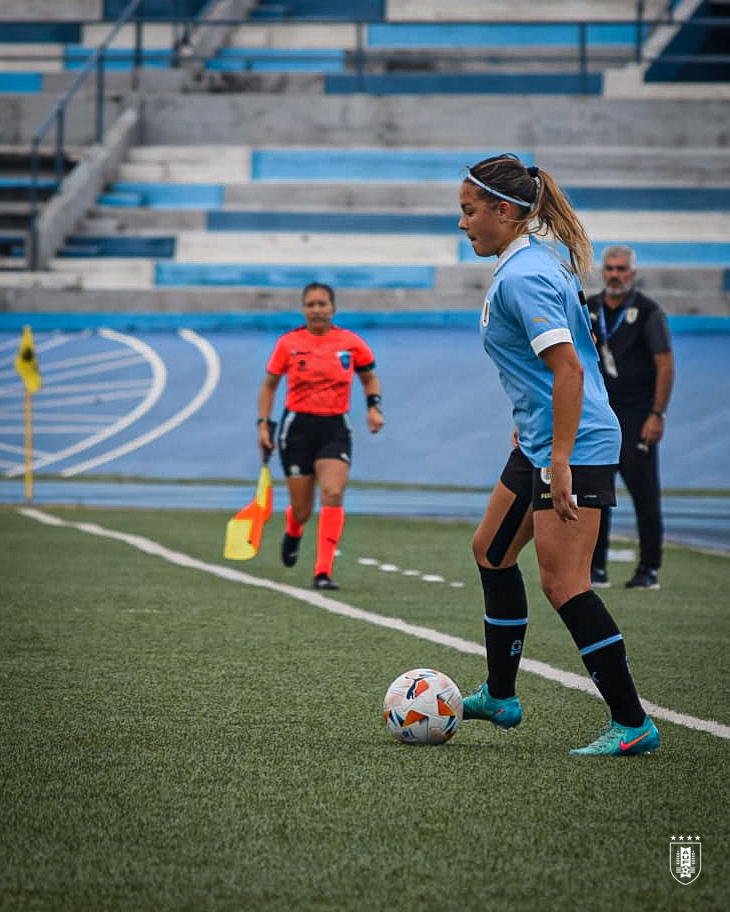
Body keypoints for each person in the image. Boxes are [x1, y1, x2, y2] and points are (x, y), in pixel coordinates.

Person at [457, 153, 659, 756]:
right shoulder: (529, 264)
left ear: (503, 210)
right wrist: (534, 430)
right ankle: (500, 695)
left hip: (575, 447)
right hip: (545, 440)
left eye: (469, 212)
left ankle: (632, 723)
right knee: (491, 552)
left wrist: (563, 459)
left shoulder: (524, 276)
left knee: (565, 583)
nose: (463, 224)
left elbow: (569, 370)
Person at [256, 282, 384, 590]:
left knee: (333, 493)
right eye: (311, 304)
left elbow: (369, 378)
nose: (316, 310)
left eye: (322, 304)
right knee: (302, 510)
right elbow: (270, 385)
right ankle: (294, 530)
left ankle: (322, 572)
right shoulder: (289, 343)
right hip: (296, 429)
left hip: (334, 428)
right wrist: (263, 424)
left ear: (332, 308)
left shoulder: (351, 343)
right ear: (304, 309)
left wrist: (374, 408)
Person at [587, 246, 674, 590]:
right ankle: (595, 567)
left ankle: (649, 568)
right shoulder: (590, 309)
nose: (614, 275)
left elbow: (665, 364)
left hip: (638, 416)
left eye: (621, 269)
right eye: (609, 268)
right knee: (597, 491)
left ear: (633, 274)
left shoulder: (648, 312)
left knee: (644, 493)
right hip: (599, 415)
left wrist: (657, 414)